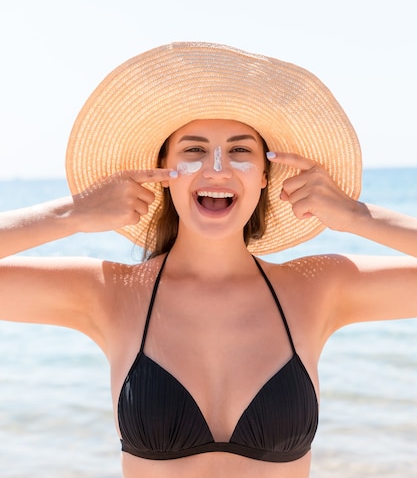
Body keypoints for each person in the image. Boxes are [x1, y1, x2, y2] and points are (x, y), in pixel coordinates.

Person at [1, 41, 416, 478]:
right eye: (194, 151)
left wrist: (356, 216)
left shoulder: (317, 288)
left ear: (264, 178)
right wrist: (71, 214)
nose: (216, 169)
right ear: (162, 172)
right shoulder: (110, 294)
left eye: (240, 152)